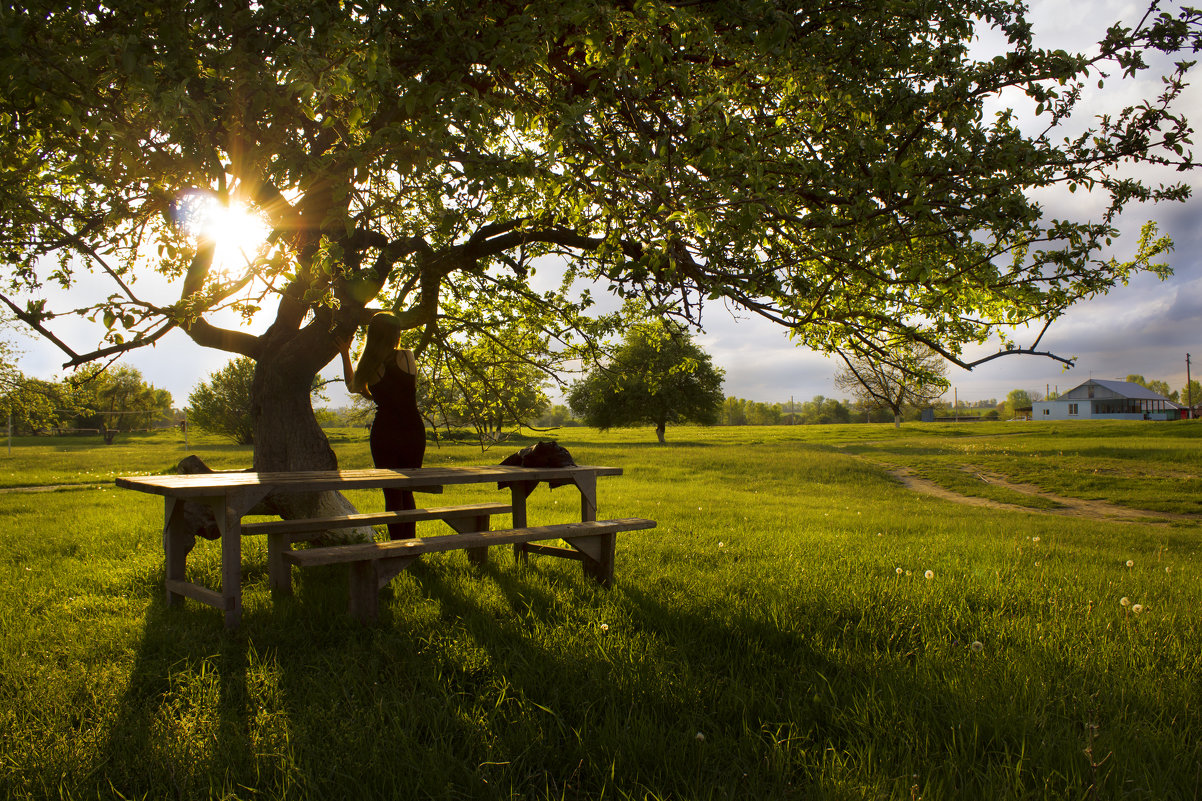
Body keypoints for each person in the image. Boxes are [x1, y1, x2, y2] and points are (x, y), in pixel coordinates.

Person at [338, 312, 426, 540]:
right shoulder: (407, 356)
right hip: (412, 431)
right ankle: (410, 546)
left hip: (385, 432)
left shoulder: (370, 364)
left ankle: (398, 546)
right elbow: (405, 391)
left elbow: (352, 386)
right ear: (396, 334)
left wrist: (345, 353)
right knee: (407, 491)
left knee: (393, 494)